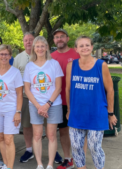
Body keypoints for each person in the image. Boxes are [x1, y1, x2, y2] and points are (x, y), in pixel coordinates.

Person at [66, 36, 117, 169]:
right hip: (77, 113)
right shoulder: (71, 65)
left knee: (94, 146)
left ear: (92, 47)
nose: (84, 48)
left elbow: (110, 90)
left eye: (87, 45)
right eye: (81, 46)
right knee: (76, 146)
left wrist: (111, 113)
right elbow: (68, 89)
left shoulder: (101, 65)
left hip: (97, 112)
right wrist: (69, 110)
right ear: (76, 49)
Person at [23, 36, 63, 169]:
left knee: (51, 135)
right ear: (34, 48)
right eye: (37, 46)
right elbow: (27, 89)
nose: (40, 49)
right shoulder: (29, 66)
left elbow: (58, 87)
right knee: (37, 135)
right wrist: (38, 106)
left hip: (53, 104)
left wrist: (47, 105)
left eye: (42, 46)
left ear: (46, 48)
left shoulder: (54, 64)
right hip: (35, 105)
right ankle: (39, 164)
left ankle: (50, 164)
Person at [0, 44, 23, 169]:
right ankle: (6, 164)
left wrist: (18, 111)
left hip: (11, 110)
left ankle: (10, 167)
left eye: (6, 54)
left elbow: (19, 94)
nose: (3, 56)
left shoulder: (15, 72)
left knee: (8, 139)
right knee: (0, 137)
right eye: (1, 54)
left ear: (10, 56)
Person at [51, 29, 81, 168]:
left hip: (76, 99)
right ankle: (68, 159)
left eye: (62, 36)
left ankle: (81, 160)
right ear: (54, 40)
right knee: (63, 131)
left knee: (80, 131)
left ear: (67, 38)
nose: (59, 39)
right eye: (56, 37)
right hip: (58, 100)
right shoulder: (51, 57)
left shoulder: (77, 55)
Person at [13, 32, 35, 163]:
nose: (28, 42)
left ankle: (53, 151)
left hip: (40, 97)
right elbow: (14, 77)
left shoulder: (40, 55)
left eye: (30, 40)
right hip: (25, 97)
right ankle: (29, 150)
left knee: (47, 125)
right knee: (26, 125)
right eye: (26, 40)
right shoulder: (18, 58)